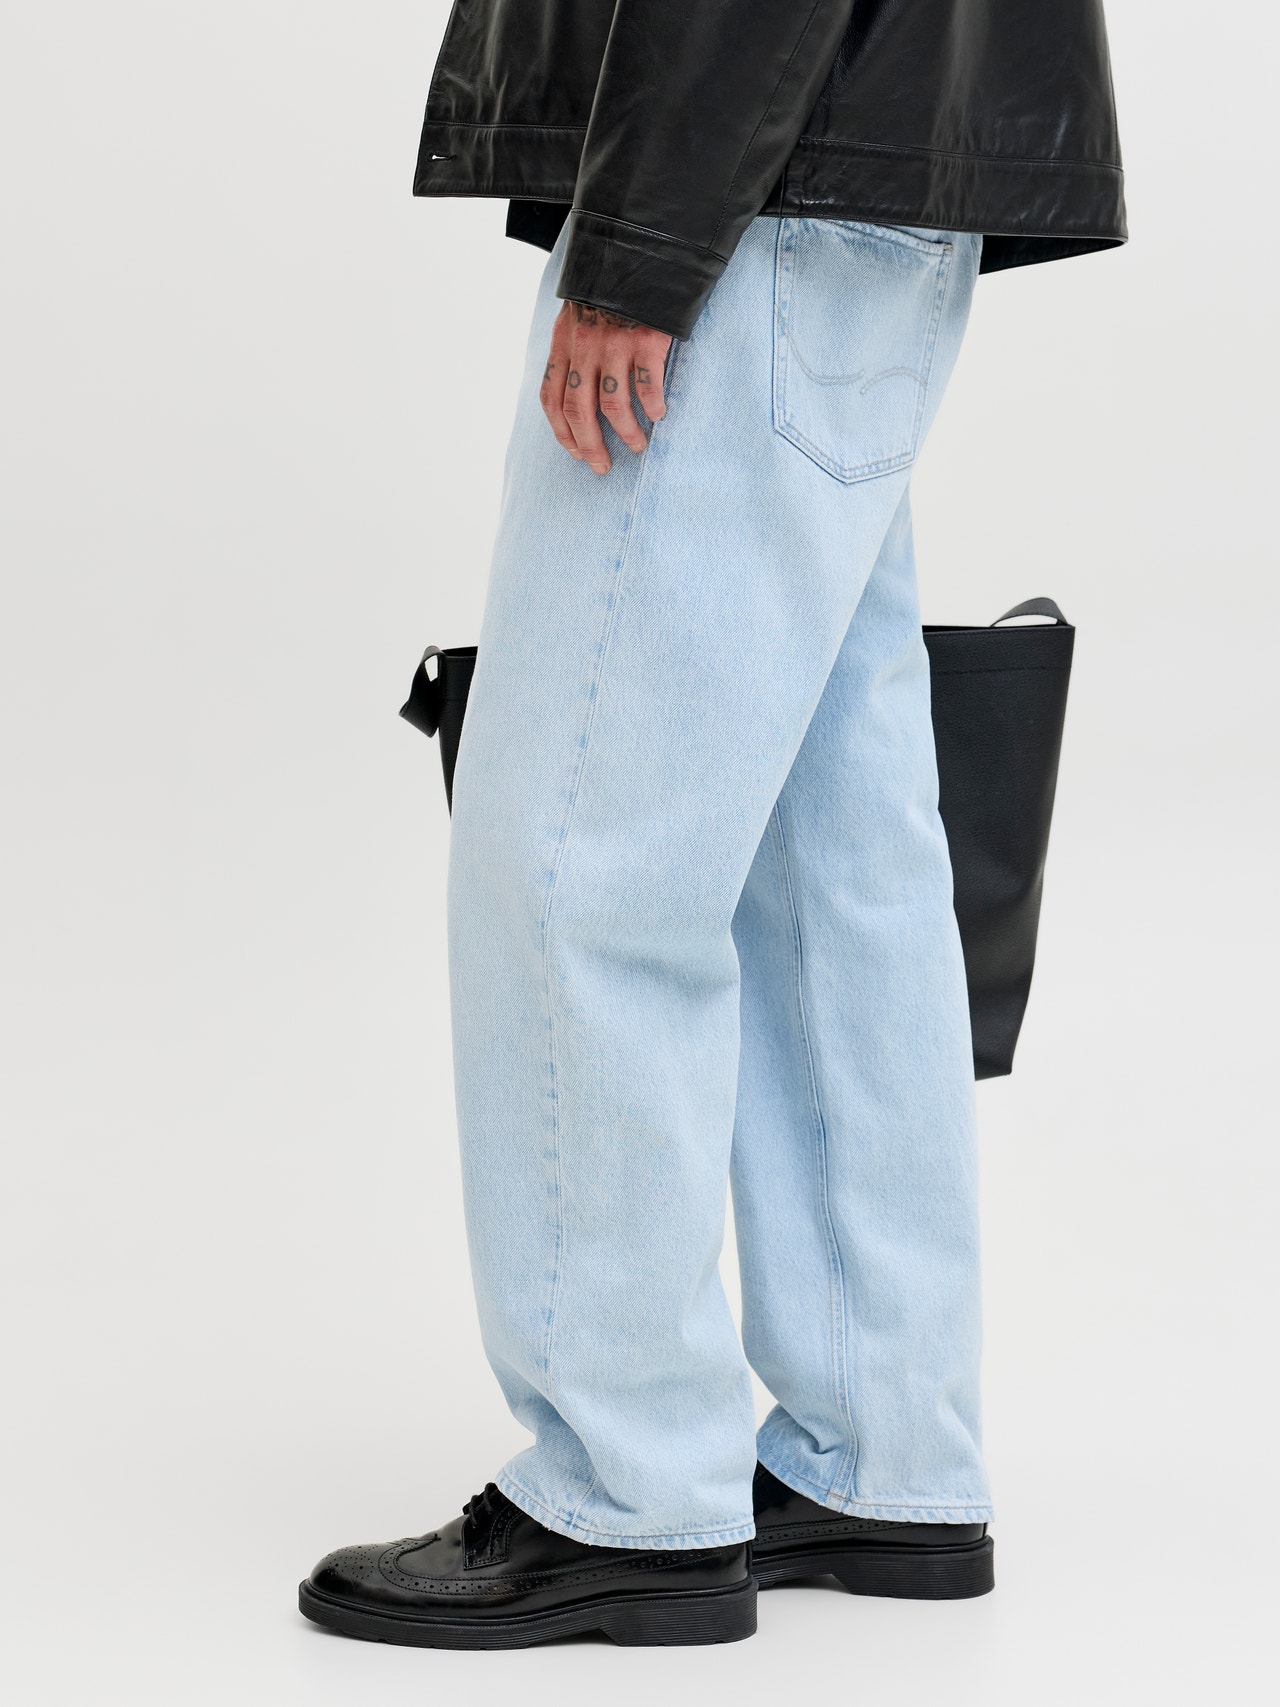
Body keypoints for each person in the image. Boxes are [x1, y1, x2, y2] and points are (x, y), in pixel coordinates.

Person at [299, 0, 1125, 1651]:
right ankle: (880, 1447)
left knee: (580, 860)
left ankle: (623, 1482)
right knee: (831, 866)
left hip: (748, 190)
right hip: (850, 173)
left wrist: (644, 244)